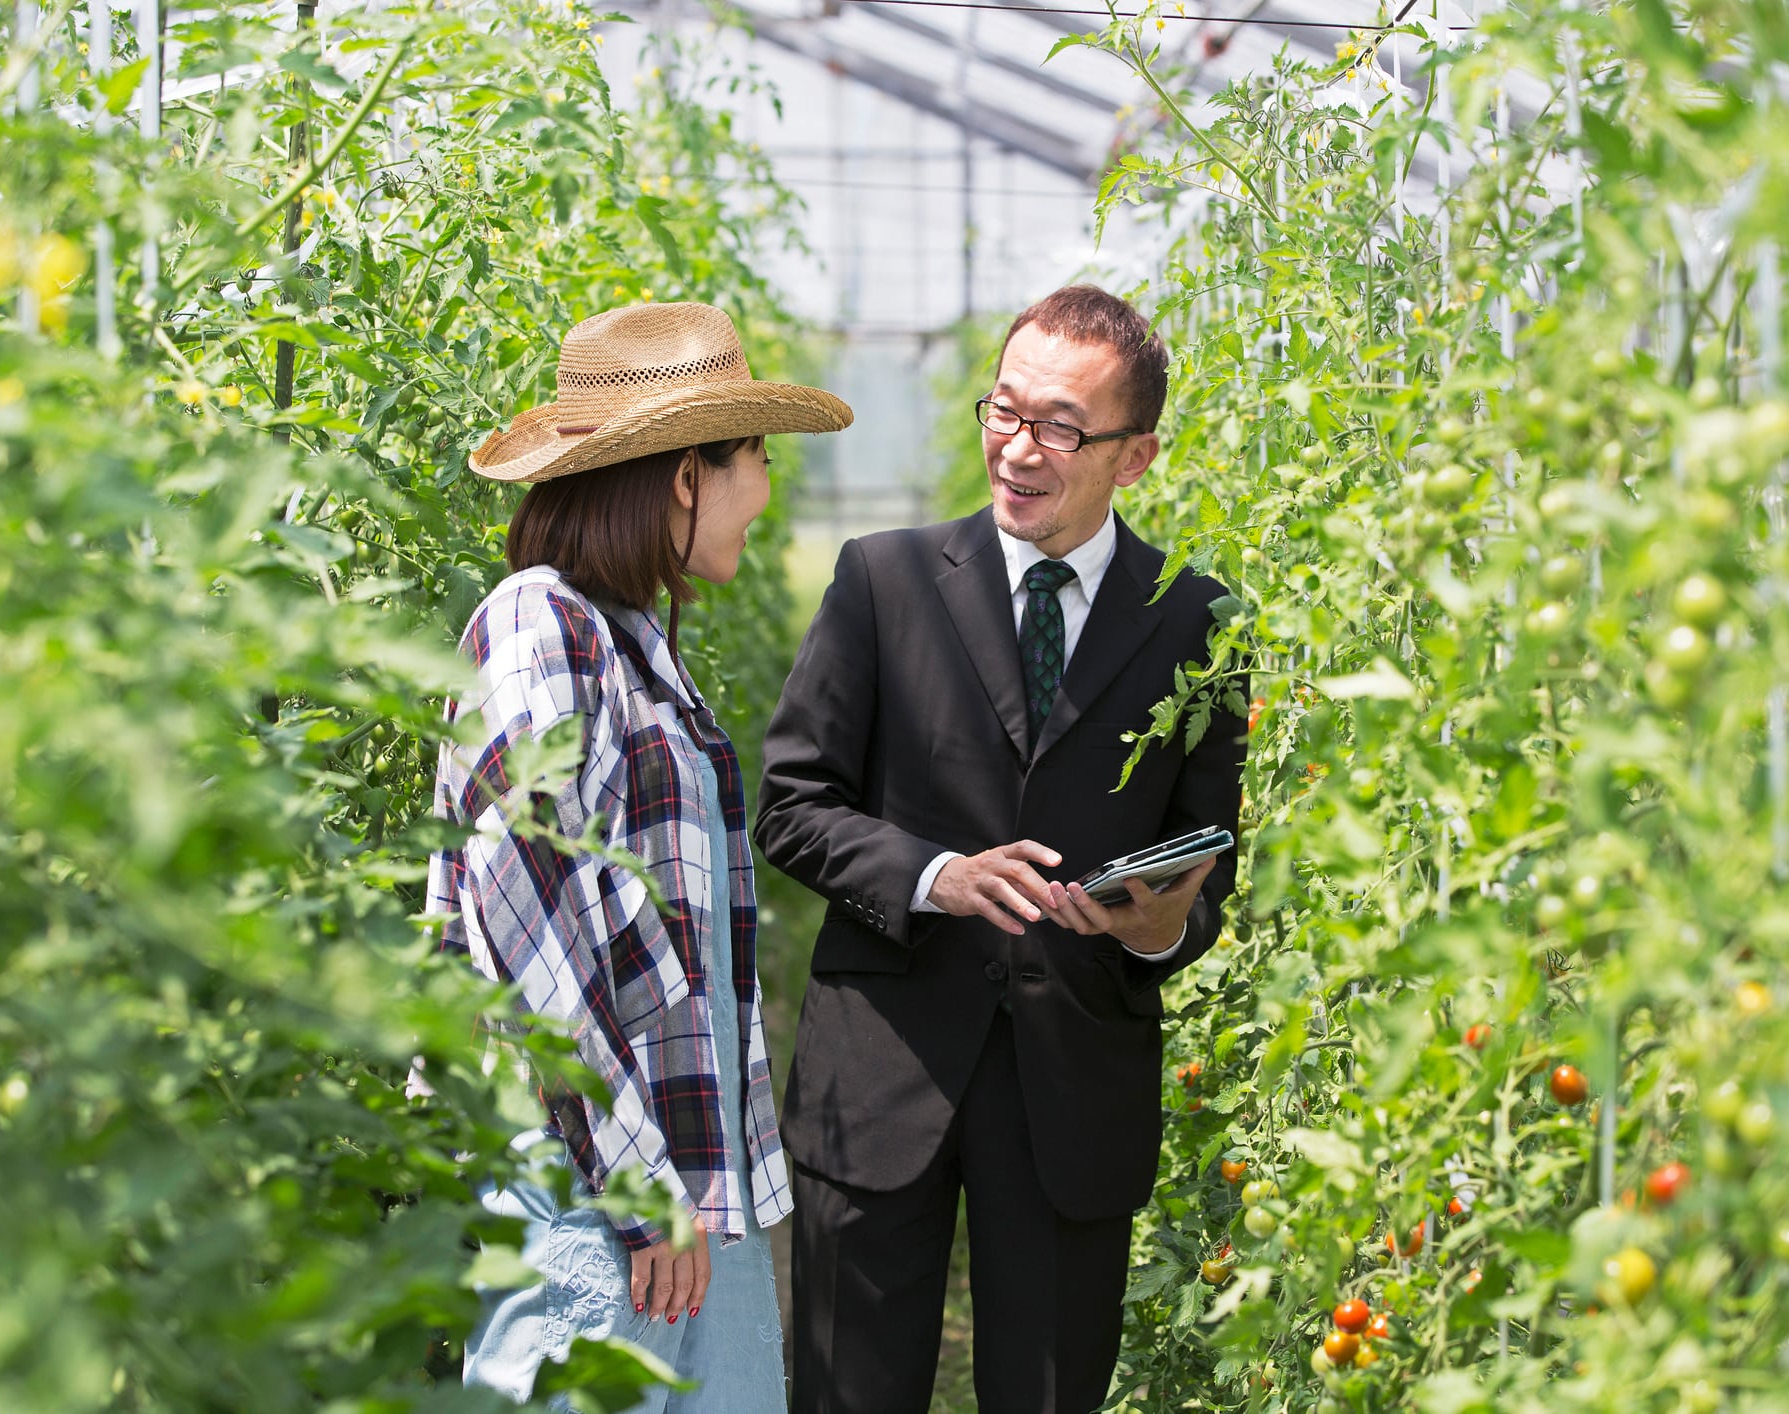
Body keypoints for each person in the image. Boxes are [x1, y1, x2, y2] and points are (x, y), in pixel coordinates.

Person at [756, 285, 1247, 1413]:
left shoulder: (1196, 623)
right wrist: (938, 876)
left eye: (1062, 427)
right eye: (1006, 411)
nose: (1021, 449)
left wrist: (1164, 926)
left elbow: (1211, 875)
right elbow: (791, 801)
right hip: (884, 1074)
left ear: (1135, 456)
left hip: (1072, 1083)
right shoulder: (884, 581)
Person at [426, 301, 851, 1409]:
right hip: (591, 1197)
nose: (766, 487)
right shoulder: (539, 626)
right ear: (681, 475)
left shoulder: (629, 647)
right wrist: (637, 1183)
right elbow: (530, 925)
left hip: (676, 1193)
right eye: (754, 455)